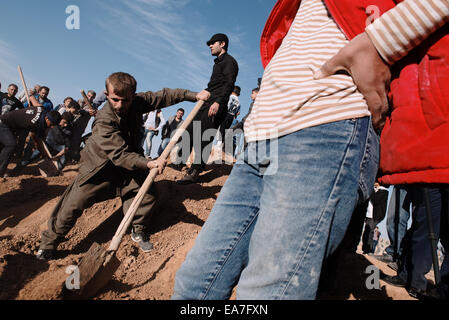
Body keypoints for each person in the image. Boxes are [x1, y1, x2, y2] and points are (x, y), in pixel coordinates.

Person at [172, 0, 449, 300]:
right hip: (263, 132)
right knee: (195, 283)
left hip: (326, 120)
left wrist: (379, 43)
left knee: (268, 292)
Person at [36, 72, 200, 261]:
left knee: (146, 194)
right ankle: (48, 244)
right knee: (73, 205)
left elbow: (164, 95)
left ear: (133, 95)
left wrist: (193, 95)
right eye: (115, 100)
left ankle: (137, 230)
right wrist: (148, 162)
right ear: (107, 95)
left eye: (126, 100)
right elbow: (119, 155)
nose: (120, 105)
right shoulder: (104, 120)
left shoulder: (138, 102)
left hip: (129, 163)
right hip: (99, 167)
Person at [177, 33, 238, 184]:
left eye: (213, 43)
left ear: (222, 44)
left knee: (203, 137)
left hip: (217, 104)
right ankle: (177, 163)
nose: (210, 46)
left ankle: (195, 171)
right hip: (207, 102)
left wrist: (218, 102)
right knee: (189, 130)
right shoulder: (217, 63)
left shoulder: (230, 62)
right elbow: (214, 85)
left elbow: (228, 84)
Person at [0, 107, 62, 178]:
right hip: (3, 124)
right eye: (51, 124)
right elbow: (36, 140)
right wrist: (45, 155)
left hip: (10, 126)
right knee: (10, 145)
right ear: (46, 118)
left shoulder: (43, 111)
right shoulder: (36, 124)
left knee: (3, 147)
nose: (51, 127)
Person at [361, 182, 389, 254]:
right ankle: (365, 249)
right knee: (367, 231)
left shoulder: (384, 191)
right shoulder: (375, 190)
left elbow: (375, 200)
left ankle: (368, 250)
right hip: (368, 215)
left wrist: (371, 190)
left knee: (369, 231)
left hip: (376, 216)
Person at [216, 86, 241, 151]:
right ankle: (222, 145)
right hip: (232, 116)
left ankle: (219, 144)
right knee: (226, 130)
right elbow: (238, 112)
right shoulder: (238, 101)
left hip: (226, 113)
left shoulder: (230, 97)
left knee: (222, 128)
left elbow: (228, 104)